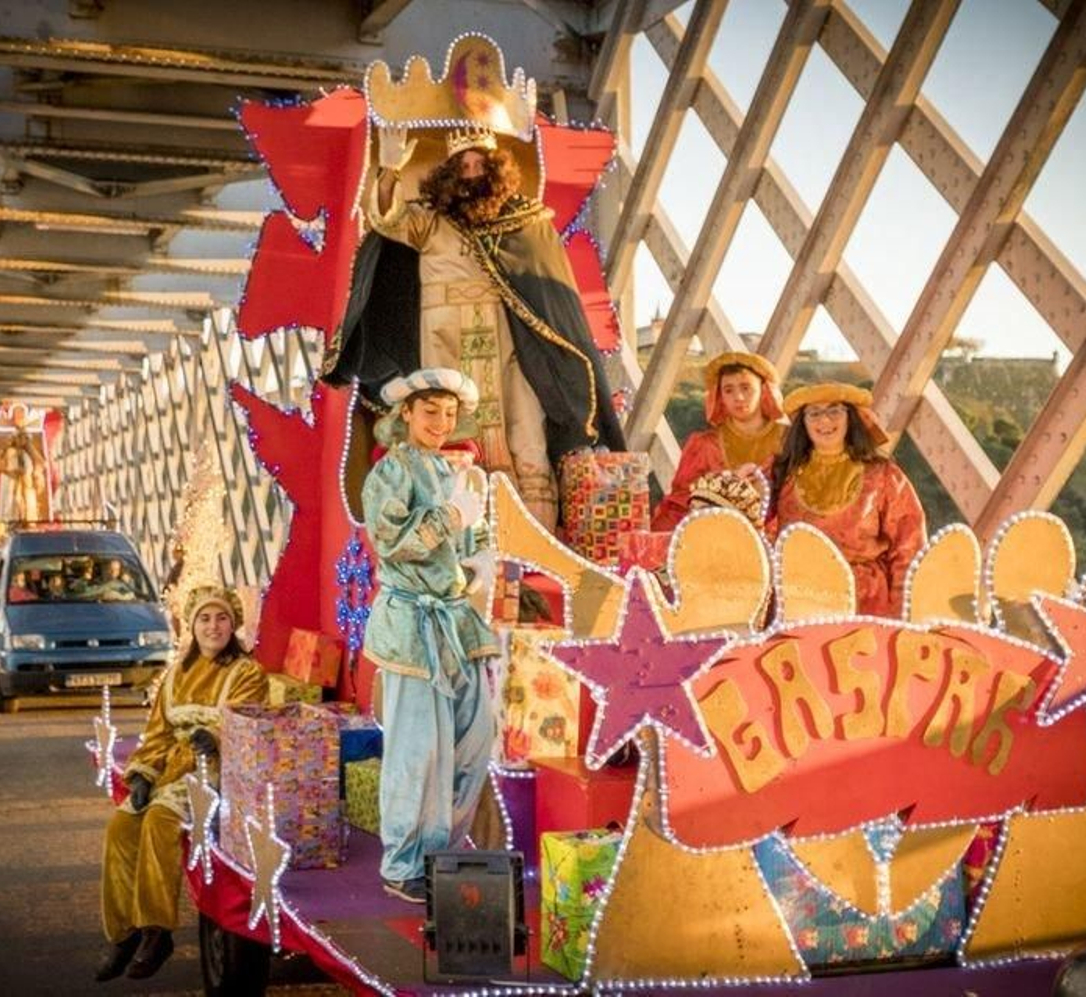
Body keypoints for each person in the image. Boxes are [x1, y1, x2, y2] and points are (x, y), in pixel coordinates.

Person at [323, 124, 625, 528]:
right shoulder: (429, 220)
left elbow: (548, 295)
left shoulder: (524, 221)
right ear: (449, 171)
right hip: (443, 338)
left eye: (478, 163)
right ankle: (457, 530)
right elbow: (387, 219)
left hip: (506, 340)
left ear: (495, 168)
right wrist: (390, 171)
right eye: (462, 165)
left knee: (524, 430)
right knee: (450, 432)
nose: (470, 172)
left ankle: (531, 534)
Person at [360, 368, 499, 904]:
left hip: (456, 619)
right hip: (412, 627)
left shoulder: (455, 471)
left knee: (473, 739)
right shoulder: (389, 474)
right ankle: (403, 864)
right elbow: (395, 544)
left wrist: (481, 556)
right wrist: (447, 516)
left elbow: (470, 537)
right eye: (430, 411)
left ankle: (442, 851)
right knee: (418, 750)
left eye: (447, 412)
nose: (441, 422)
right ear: (407, 415)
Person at [96, 585, 267, 982]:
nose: (213, 626)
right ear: (192, 624)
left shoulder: (247, 672)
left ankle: (158, 931)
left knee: (160, 820)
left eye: (221, 617)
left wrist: (218, 734)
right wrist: (142, 775)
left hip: (216, 772)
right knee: (121, 826)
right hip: (172, 769)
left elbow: (245, 723)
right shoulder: (175, 675)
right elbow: (157, 734)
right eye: (205, 618)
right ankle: (124, 932)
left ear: (234, 623)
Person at [771, 383, 927, 617]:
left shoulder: (884, 476)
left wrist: (902, 613)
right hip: (799, 603)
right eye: (814, 413)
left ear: (851, 418)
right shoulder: (780, 473)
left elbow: (909, 547)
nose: (824, 421)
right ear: (802, 422)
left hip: (866, 606)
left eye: (834, 410)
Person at [652, 351, 786, 532]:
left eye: (746, 387)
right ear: (720, 396)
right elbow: (680, 501)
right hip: (719, 538)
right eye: (729, 390)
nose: (738, 397)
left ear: (764, 390)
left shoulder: (789, 440)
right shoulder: (705, 445)